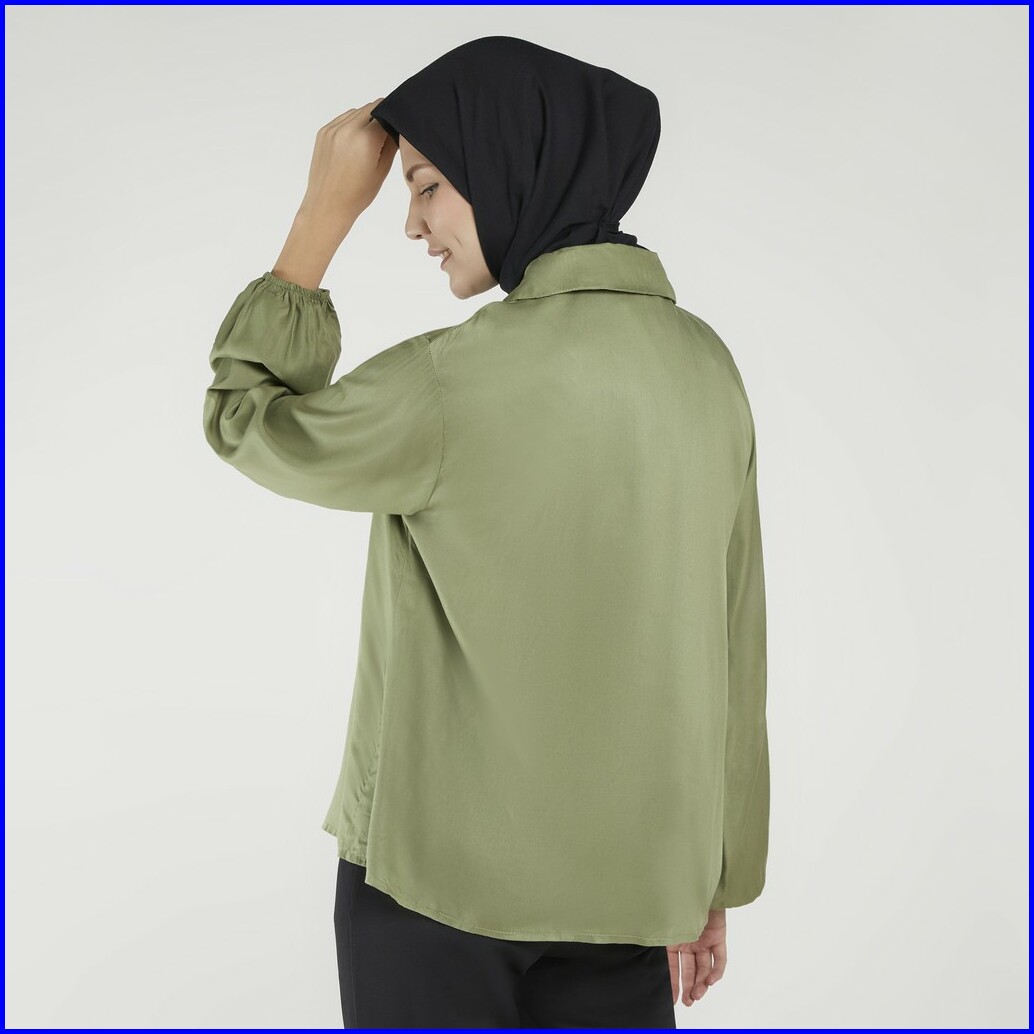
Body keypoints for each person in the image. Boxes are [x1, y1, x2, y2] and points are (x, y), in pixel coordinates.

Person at [203, 35, 769, 1029]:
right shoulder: (705, 368)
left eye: (426, 185)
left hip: (431, 888)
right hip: (636, 891)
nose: (412, 223)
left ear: (511, 166)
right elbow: (734, 638)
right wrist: (713, 873)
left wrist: (321, 213)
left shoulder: (450, 380)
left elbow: (244, 419)